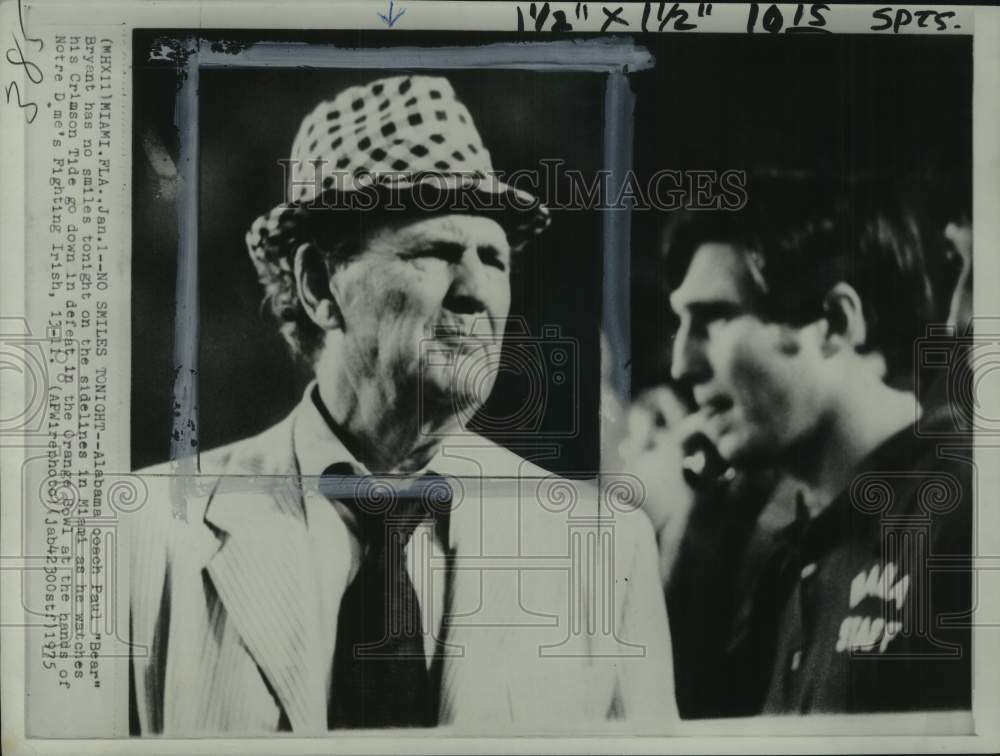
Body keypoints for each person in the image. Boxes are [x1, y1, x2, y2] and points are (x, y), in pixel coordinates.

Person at [127, 75, 676, 734]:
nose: (479, 293)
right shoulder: (149, 535)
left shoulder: (606, 550)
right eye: (435, 252)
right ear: (317, 284)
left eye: (495, 259)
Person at [663, 174, 972, 714]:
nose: (681, 364)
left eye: (714, 319)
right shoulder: (789, 559)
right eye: (680, 324)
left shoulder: (967, 509)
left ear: (834, 322)